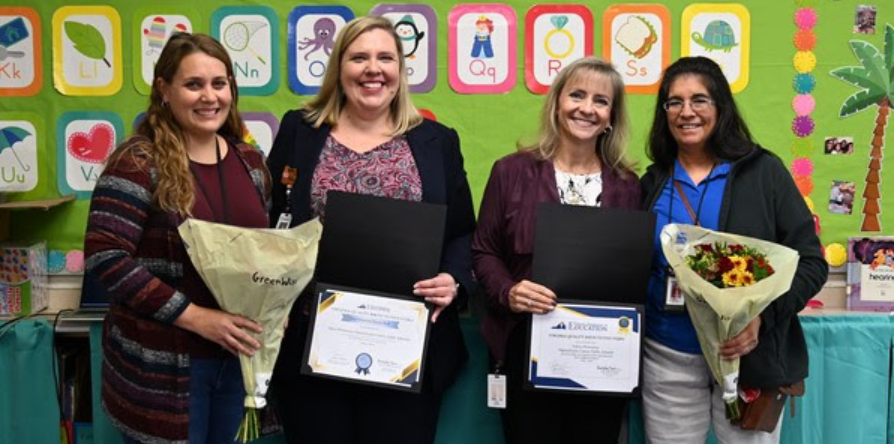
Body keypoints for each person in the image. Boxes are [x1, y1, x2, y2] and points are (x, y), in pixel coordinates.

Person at [266, 16, 475, 444]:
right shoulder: (299, 132)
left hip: (407, 346)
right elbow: (270, 219)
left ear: (401, 70)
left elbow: (463, 233)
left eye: (385, 57)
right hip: (313, 346)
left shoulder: (437, 141)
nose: (372, 69)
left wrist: (453, 280)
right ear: (339, 68)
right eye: (358, 57)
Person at [83, 33, 271, 444]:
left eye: (219, 84)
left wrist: (277, 303)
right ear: (164, 90)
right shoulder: (137, 161)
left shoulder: (250, 161)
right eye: (194, 84)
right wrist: (198, 318)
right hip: (166, 369)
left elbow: (267, 253)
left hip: (238, 360)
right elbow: (106, 257)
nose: (209, 96)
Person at [640, 56, 827, 444]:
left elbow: (810, 262)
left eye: (699, 100)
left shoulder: (762, 172)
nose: (686, 112)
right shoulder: (652, 181)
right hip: (666, 355)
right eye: (674, 102)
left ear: (720, 107)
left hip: (746, 360)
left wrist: (764, 316)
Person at [472, 57, 641, 443]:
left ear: (611, 115)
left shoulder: (629, 186)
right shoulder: (511, 171)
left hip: (602, 353)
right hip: (525, 345)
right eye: (577, 95)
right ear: (556, 103)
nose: (586, 108)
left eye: (600, 100)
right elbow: (483, 251)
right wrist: (509, 291)